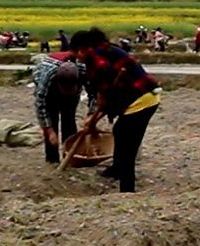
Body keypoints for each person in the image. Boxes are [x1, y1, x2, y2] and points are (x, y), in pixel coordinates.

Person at [72, 29, 160, 192]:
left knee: (127, 145)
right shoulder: (106, 50)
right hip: (147, 96)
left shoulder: (97, 59)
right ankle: (117, 169)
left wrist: (94, 120)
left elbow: (109, 92)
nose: (78, 59)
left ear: (81, 49)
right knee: (119, 131)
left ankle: (127, 189)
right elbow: (104, 94)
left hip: (140, 100)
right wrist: (95, 116)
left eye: (76, 55)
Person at [31, 54, 85, 164]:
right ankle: (52, 159)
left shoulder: (83, 71)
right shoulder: (46, 78)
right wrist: (50, 131)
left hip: (72, 92)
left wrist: (91, 114)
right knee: (51, 119)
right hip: (50, 93)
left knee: (69, 120)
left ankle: (69, 156)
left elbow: (94, 93)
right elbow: (41, 106)